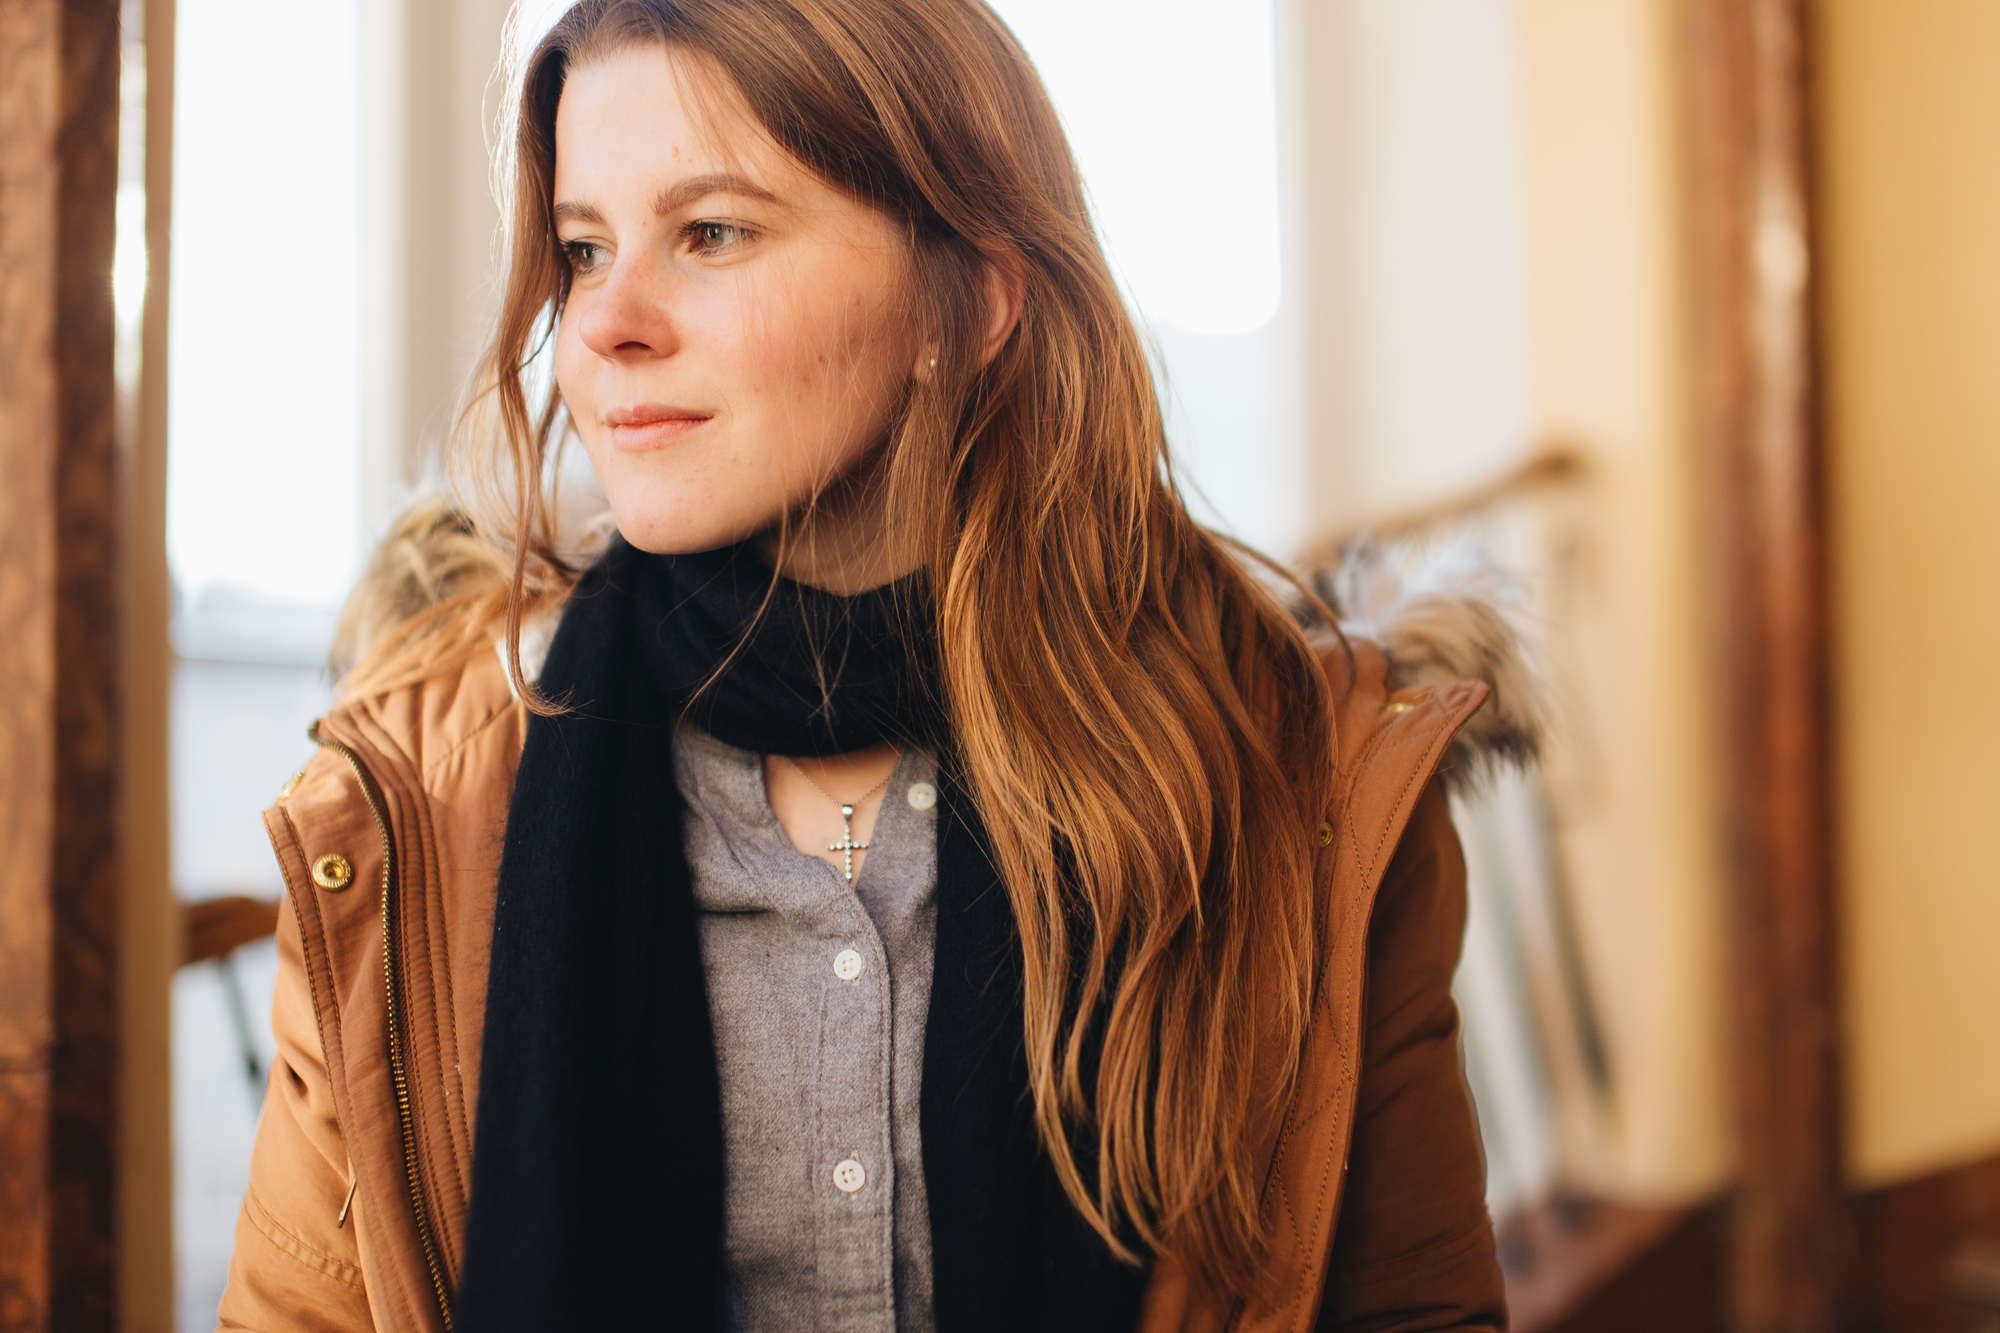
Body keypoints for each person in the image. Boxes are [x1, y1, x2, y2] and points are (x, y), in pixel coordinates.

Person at [219, 1, 1535, 1328]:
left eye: (712, 231)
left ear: (966, 305)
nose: (604, 322)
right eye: (581, 247)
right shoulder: (410, 810)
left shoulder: (1294, 783)